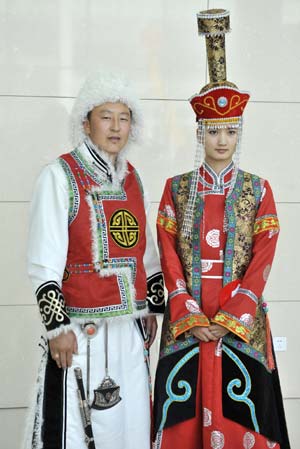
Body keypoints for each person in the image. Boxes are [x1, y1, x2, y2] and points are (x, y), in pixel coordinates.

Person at [153, 9, 290, 449]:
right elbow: (168, 258)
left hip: (241, 327)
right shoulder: (176, 190)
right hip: (187, 327)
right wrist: (190, 317)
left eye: (230, 130)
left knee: (243, 422)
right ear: (200, 132)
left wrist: (232, 318)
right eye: (213, 130)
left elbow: (263, 259)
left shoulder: (257, 189)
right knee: (182, 422)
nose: (222, 140)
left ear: (239, 132)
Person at [25, 71, 165, 449]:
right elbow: (44, 260)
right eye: (106, 116)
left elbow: (146, 252)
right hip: (80, 331)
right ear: (86, 122)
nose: (115, 127)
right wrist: (58, 328)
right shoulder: (59, 176)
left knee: (132, 426)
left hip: (130, 332)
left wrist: (151, 307)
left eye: (124, 117)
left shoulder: (134, 179)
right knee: (77, 430)